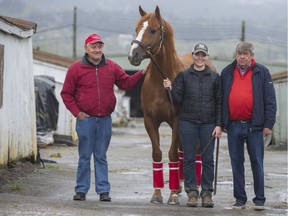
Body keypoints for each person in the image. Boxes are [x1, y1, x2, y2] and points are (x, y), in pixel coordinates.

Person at [61, 33, 147, 202]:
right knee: (84, 156)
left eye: (99, 46)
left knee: (101, 156)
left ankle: (103, 191)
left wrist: (143, 72)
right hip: (86, 120)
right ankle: (81, 190)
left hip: (105, 120)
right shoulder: (76, 68)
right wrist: (77, 113)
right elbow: (66, 94)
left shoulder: (112, 67)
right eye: (93, 46)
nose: (97, 49)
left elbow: (126, 83)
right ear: (86, 48)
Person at [163, 43, 222, 208]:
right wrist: (169, 89)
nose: (200, 58)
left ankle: (207, 193)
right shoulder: (183, 75)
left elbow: (219, 103)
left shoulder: (214, 77)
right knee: (188, 158)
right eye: (198, 55)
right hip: (187, 122)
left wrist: (219, 124)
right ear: (193, 56)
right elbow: (177, 100)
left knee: (208, 160)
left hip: (208, 124)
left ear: (207, 57)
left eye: (203, 55)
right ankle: (192, 193)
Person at [221, 42, 277, 210]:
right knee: (236, 163)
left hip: (256, 126)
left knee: (257, 163)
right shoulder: (226, 72)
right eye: (239, 53)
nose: (242, 56)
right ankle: (240, 199)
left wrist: (269, 124)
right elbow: (220, 99)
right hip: (233, 126)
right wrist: (221, 122)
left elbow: (271, 101)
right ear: (236, 55)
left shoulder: (262, 72)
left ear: (252, 55)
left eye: (245, 53)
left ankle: (259, 199)